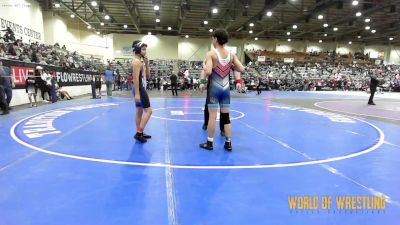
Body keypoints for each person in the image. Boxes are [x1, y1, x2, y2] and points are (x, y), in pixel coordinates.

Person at [199, 29, 245, 151]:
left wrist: (204, 67)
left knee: (212, 117)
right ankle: (228, 143)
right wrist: (233, 68)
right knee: (226, 117)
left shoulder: (211, 54)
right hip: (225, 90)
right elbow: (241, 69)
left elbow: (208, 71)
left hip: (214, 89)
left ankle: (209, 143)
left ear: (215, 39)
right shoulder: (231, 54)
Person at [132, 40, 152, 143]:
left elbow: (148, 76)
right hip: (139, 88)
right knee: (149, 111)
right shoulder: (136, 61)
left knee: (139, 112)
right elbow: (135, 79)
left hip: (140, 86)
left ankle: (139, 132)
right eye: (143, 49)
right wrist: (137, 94)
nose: (145, 51)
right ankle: (139, 133)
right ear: (138, 50)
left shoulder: (140, 61)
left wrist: (147, 64)